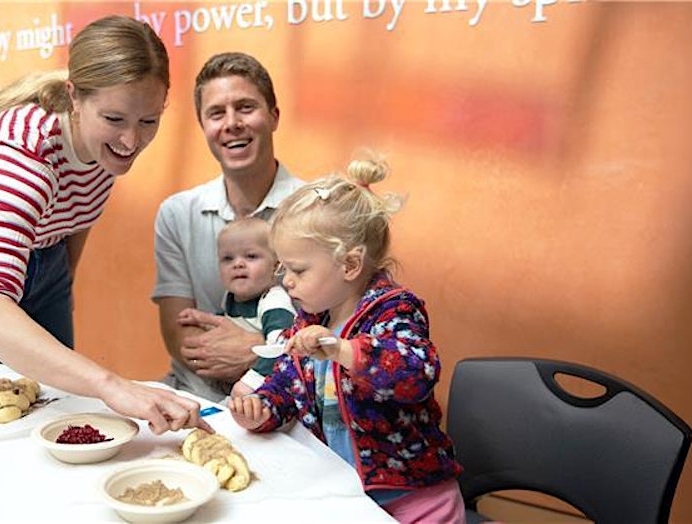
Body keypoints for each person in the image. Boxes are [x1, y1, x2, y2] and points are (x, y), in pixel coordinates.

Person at [0, 15, 209, 435]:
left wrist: (60, 282)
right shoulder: (25, 158)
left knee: (52, 406)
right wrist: (112, 385)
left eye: (148, 121)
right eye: (114, 120)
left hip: (47, 254)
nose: (131, 141)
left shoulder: (106, 145)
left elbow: (77, 215)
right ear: (74, 97)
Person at [227, 156, 464, 523]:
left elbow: (417, 372)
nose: (286, 280)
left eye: (298, 269)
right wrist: (263, 409)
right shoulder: (311, 318)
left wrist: (343, 350)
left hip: (415, 501)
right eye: (283, 267)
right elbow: (288, 383)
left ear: (350, 265)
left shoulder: (394, 310)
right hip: (347, 497)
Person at [152, 52, 304, 402]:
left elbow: (339, 338)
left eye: (246, 107)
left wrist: (258, 353)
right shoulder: (176, 214)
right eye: (216, 113)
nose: (232, 123)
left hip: (288, 400)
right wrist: (275, 349)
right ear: (203, 126)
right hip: (194, 395)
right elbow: (180, 338)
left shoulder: (319, 210)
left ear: (274, 116)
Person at [176, 217, 295, 398]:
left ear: (276, 266)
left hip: (272, 389)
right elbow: (229, 323)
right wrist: (201, 321)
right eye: (227, 258)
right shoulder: (230, 298)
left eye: (251, 256)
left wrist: (250, 382)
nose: (238, 264)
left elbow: (281, 348)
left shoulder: (274, 302)